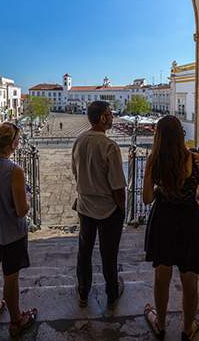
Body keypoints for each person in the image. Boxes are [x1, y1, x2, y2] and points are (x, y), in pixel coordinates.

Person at [142, 116, 199, 340]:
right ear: (181, 134)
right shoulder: (196, 161)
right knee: (190, 281)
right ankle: (187, 328)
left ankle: (161, 323)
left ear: (158, 137)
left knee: (161, 278)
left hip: (163, 223)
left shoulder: (153, 161)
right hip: (190, 224)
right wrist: (195, 204)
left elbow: (147, 199)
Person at [0, 122, 38, 337]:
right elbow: (21, 210)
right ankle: (16, 320)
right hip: (11, 234)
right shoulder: (15, 171)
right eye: (18, 140)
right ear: (13, 144)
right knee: (11, 277)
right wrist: (28, 198)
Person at [72, 101, 126, 308]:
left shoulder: (79, 141)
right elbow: (117, 185)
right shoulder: (109, 146)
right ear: (103, 118)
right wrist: (121, 207)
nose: (112, 117)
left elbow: (75, 172)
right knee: (109, 253)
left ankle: (83, 292)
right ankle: (111, 293)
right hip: (108, 209)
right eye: (110, 114)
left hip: (85, 207)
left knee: (84, 251)